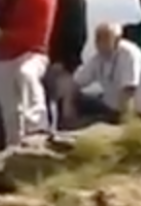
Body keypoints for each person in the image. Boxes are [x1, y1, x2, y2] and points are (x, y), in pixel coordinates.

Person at [58, 23, 141, 127]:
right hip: (109, 108)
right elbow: (75, 82)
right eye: (98, 39)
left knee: (90, 123)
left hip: (134, 113)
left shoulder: (129, 55)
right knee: (73, 97)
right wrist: (68, 106)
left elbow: (128, 92)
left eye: (105, 39)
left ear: (117, 40)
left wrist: (122, 122)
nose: (100, 44)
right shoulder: (99, 58)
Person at [0, 0, 57, 149]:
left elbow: (37, 35)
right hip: (4, 55)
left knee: (26, 74)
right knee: (8, 104)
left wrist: (1, 36)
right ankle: (14, 145)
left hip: (32, 51)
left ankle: (37, 128)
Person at [46, 0, 90, 129]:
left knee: (66, 107)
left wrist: (64, 60)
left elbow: (78, 33)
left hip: (63, 63)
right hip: (51, 59)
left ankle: (67, 138)